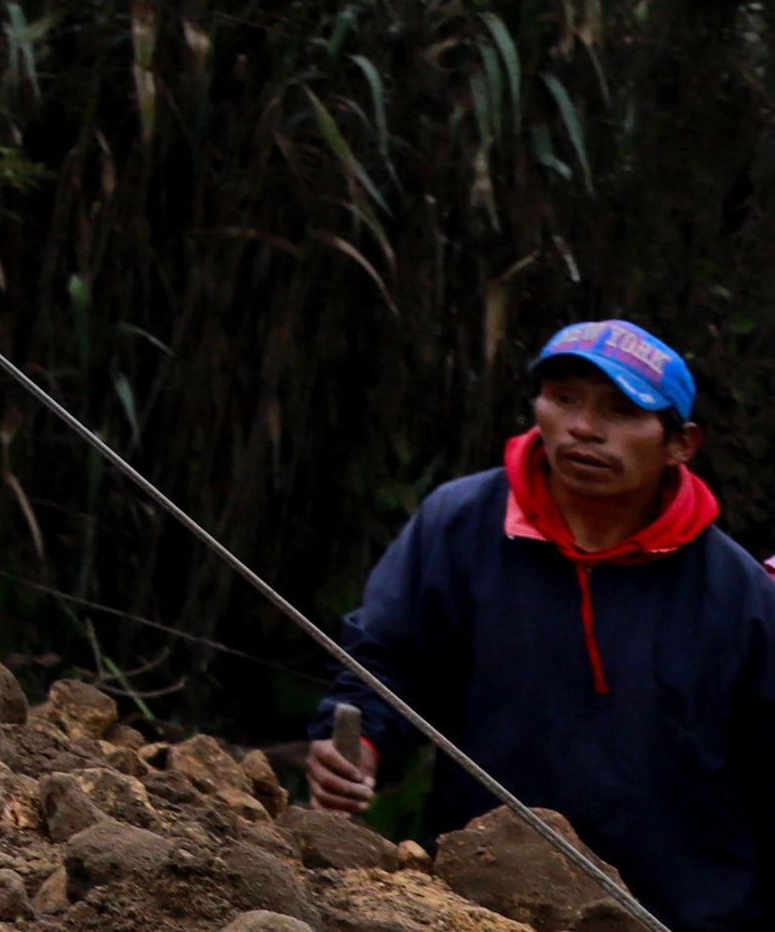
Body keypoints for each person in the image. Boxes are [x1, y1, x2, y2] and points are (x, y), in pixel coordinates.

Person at [311, 322, 775, 932]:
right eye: (564, 399)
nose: (584, 427)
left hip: (678, 914)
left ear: (680, 444)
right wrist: (360, 745)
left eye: (622, 409)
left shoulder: (739, 593)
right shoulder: (460, 524)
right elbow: (382, 660)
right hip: (474, 903)